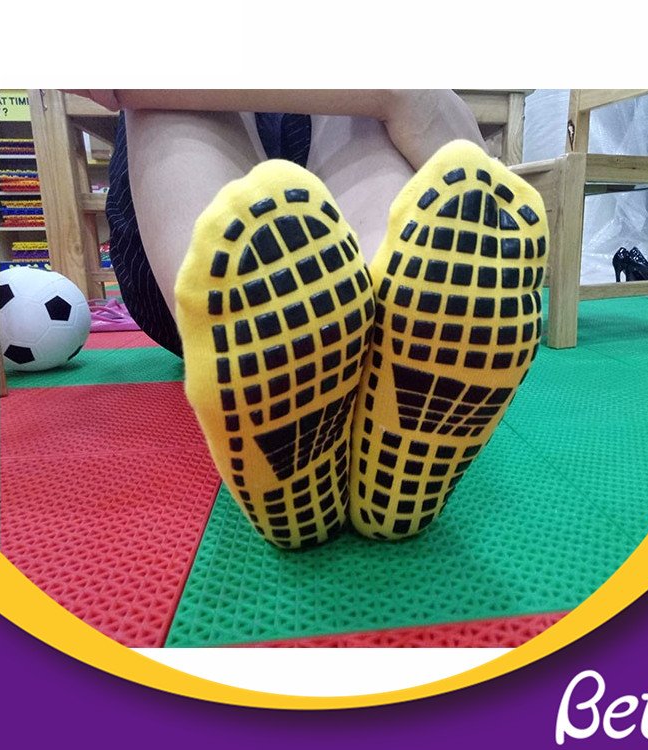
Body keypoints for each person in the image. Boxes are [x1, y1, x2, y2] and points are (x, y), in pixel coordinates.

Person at [71, 90, 548, 550]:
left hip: (191, 268)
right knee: (176, 93)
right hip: (194, 259)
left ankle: (356, 331)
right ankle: (383, 338)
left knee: (195, 86)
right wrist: (399, 93)